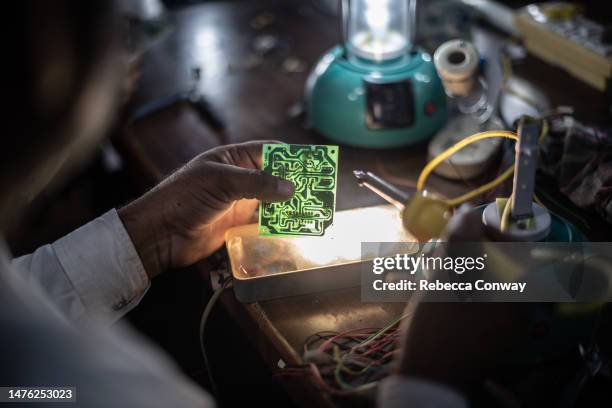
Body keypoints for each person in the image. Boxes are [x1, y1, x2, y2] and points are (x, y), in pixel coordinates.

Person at [2, 0, 518, 406]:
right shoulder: (85, 387)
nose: (129, 66)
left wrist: (148, 235)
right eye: (128, 35)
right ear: (54, 64)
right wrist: (429, 381)